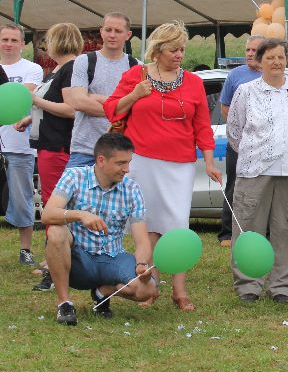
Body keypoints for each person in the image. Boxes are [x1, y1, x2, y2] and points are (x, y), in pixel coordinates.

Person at [104, 21, 221, 311]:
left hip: (180, 164)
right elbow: (111, 109)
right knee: (147, 225)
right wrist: (135, 94)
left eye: (182, 49)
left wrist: (209, 162)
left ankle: (180, 290)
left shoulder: (193, 82)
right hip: (142, 161)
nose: (179, 55)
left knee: (177, 225)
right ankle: (149, 285)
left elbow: (202, 126)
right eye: (173, 50)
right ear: (157, 51)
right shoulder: (136, 75)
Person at [227, 38, 288, 303]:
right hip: (253, 171)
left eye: (280, 57)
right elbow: (235, 130)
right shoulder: (246, 91)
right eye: (270, 58)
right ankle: (248, 284)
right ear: (259, 61)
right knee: (248, 227)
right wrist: (255, 152)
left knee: (286, 229)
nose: (276, 62)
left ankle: (282, 286)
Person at [41, 133, 158, 325]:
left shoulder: (132, 189)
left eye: (129, 162)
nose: (127, 169)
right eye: (121, 163)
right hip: (79, 260)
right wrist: (81, 215)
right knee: (55, 231)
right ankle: (64, 303)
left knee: (148, 289)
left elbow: (142, 240)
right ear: (101, 160)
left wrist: (142, 264)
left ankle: (102, 292)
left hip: (113, 258)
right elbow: (47, 214)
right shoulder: (74, 176)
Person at [14, 23, 84, 291]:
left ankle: (57, 266)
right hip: (48, 144)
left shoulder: (70, 69)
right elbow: (53, 105)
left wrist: (35, 101)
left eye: (48, 41)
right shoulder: (57, 70)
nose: (45, 47)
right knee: (51, 204)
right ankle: (51, 259)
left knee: (55, 207)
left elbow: (71, 109)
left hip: (58, 146)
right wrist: (31, 118)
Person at [63, 13, 135, 168]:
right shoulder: (84, 61)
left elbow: (137, 109)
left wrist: (95, 97)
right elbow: (78, 102)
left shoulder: (136, 66)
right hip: (85, 150)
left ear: (128, 35)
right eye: (108, 30)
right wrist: (121, 108)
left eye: (118, 31)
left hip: (122, 152)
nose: (112, 35)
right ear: (101, 31)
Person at [0, 23, 43, 266]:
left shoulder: (32, 69)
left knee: (21, 197)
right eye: (4, 39)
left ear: (21, 43)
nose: (8, 44)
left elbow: (24, 95)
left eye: (13, 40)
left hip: (19, 145)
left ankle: (25, 249)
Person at [217, 35, 264, 247]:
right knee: (234, 185)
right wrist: (242, 128)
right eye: (248, 50)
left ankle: (260, 230)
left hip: (264, 144)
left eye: (255, 50)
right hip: (239, 142)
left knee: (263, 186)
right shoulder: (235, 75)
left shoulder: (273, 75)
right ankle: (227, 233)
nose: (250, 54)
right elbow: (225, 107)